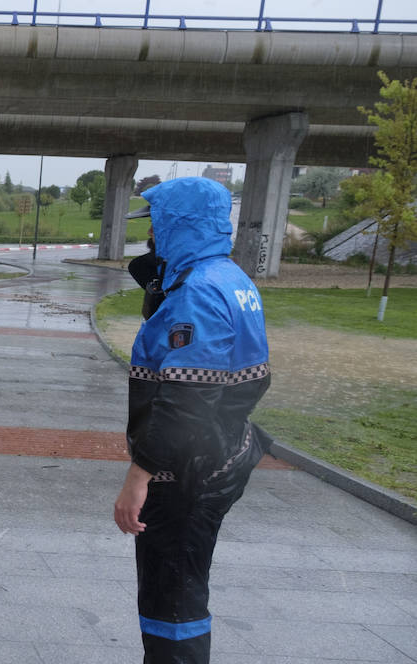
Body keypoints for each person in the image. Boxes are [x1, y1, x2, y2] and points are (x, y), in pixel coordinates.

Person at [113, 177, 272, 663]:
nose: (150, 237)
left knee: (172, 596)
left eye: (156, 227)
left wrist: (140, 475)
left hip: (187, 470)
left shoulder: (197, 294)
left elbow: (186, 402)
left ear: (177, 225)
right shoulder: (229, 278)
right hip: (220, 453)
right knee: (179, 585)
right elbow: (254, 378)